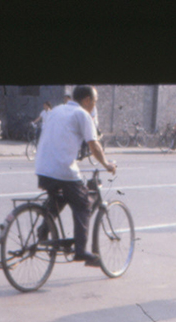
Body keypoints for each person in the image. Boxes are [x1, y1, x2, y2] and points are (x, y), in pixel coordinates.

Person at [33, 85, 117, 269]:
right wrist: (107, 164)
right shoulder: (82, 114)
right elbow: (94, 145)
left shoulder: (56, 110)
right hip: (62, 170)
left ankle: (43, 230)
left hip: (42, 168)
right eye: (94, 102)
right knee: (83, 204)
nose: (94, 105)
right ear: (87, 100)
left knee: (61, 197)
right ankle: (80, 250)